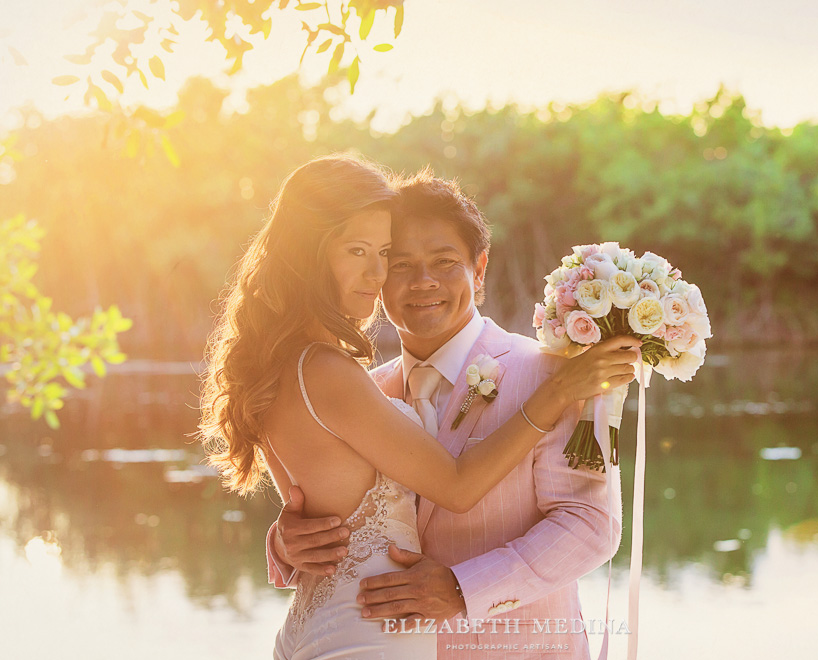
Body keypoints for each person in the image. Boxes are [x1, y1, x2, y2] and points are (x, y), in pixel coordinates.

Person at [200, 155, 638, 660]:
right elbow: (343, 509)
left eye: (445, 262)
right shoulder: (364, 387)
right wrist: (286, 545)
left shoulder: (556, 374)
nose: (422, 281)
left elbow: (590, 526)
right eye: (399, 262)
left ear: (480, 266)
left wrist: (461, 589)